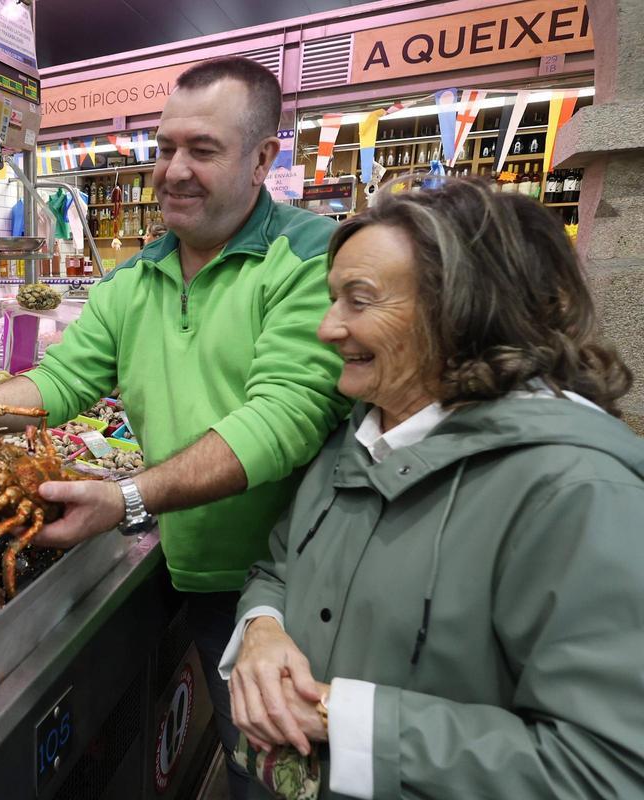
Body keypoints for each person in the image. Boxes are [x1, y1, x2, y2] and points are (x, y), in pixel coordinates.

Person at [0, 56, 351, 797]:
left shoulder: (308, 257)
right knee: (249, 764)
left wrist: (128, 499)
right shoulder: (135, 279)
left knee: (286, 781)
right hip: (189, 567)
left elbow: (286, 416)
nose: (173, 170)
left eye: (202, 150)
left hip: (294, 588)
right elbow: (57, 381)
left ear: (262, 158)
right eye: (164, 146)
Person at [224, 178, 644, 798]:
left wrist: (341, 718)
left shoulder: (577, 492)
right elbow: (280, 567)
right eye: (332, 299)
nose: (327, 329)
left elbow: (607, 769)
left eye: (359, 301)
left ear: (465, 310)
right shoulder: (357, 438)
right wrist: (262, 631)